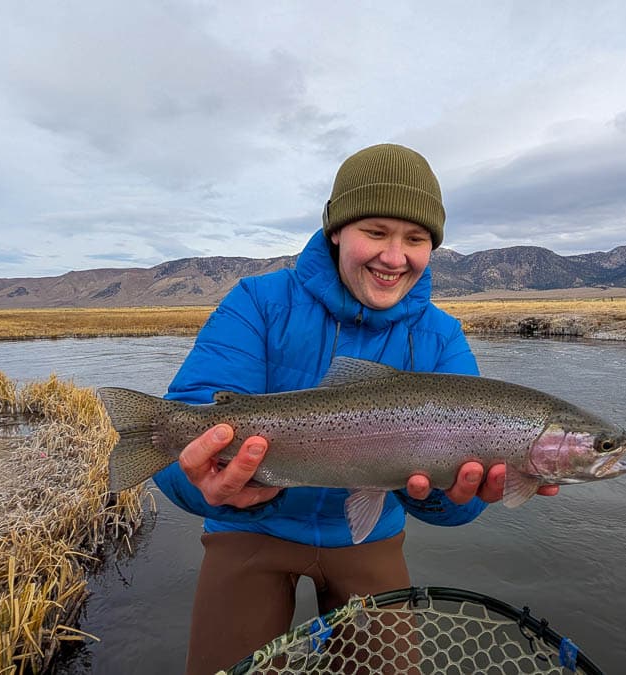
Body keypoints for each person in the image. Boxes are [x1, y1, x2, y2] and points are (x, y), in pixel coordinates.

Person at [152, 143, 558, 674]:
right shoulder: (257, 303)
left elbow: (458, 505)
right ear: (336, 231)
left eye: (415, 239)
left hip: (370, 533)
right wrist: (211, 486)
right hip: (249, 526)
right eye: (375, 232)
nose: (395, 257)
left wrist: (449, 499)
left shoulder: (441, 337)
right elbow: (173, 452)